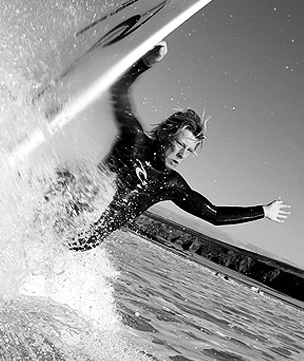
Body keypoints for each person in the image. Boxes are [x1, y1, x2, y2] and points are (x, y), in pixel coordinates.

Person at [68, 42, 290, 251]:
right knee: (77, 182)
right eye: (180, 144)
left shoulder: (170, 184)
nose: (183, 154)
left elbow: (214, 215)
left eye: (190, 151)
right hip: (68, 208)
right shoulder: (134, 139)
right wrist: (146, 63)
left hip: (80, 244)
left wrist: (264, 211)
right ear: (165, 134)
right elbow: (118, 90)